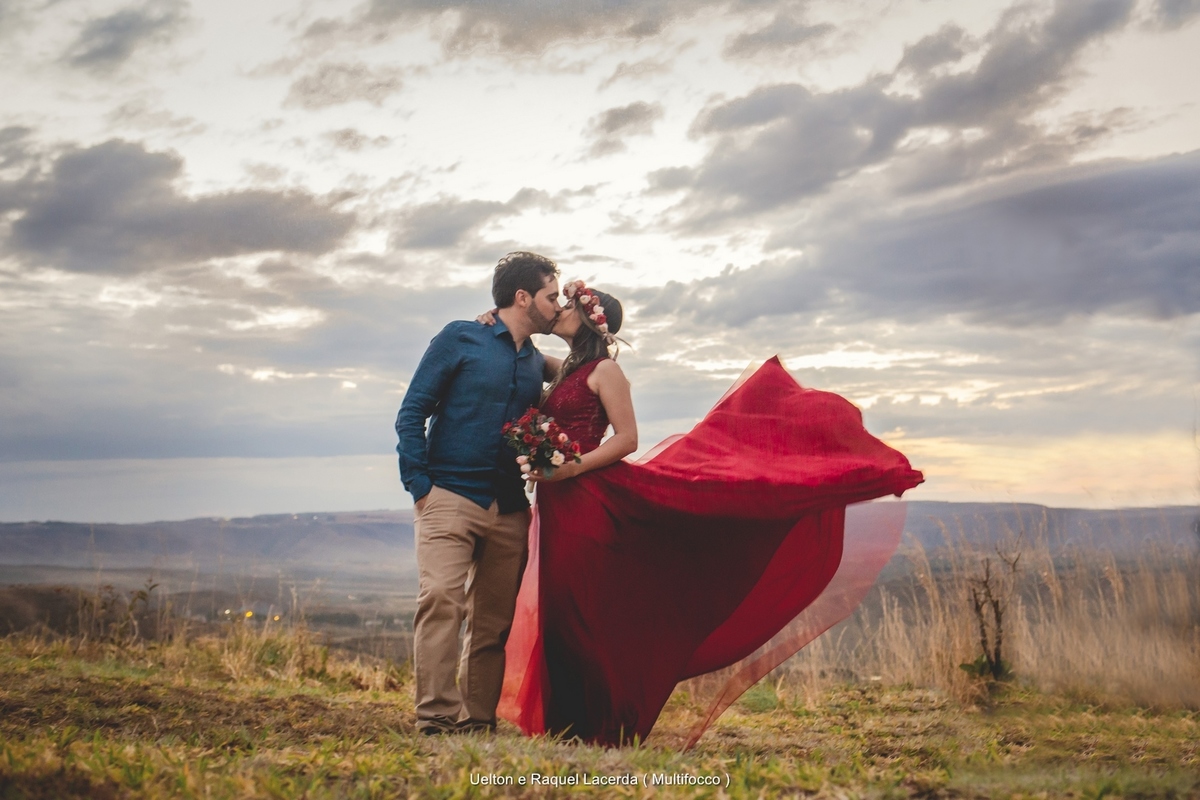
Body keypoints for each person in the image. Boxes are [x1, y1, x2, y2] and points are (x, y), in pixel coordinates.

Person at [486, 279, 925, 746]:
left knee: (581, 615)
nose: (558, 310)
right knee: (560, 613)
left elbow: (627, 439)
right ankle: (566, 727)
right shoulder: (567, 367)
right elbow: (523, 359)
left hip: (589, 503)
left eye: (567, 305)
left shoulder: (605, 371)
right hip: (558, 506)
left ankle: (598, 728)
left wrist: (572, 469)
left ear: (593, 320)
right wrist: (492, 322)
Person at [394, 251, 562, 735]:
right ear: (523, 296)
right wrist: (419, 485)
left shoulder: (535, 361)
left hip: (510, 508)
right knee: (443, 598)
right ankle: (436, 718)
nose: (556, 306)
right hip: (448, 494)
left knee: (493, 623)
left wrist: (590, 327)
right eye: (552, 296)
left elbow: (591, 366)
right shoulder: (460, 337)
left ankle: (478, 720)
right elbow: (413, 411)